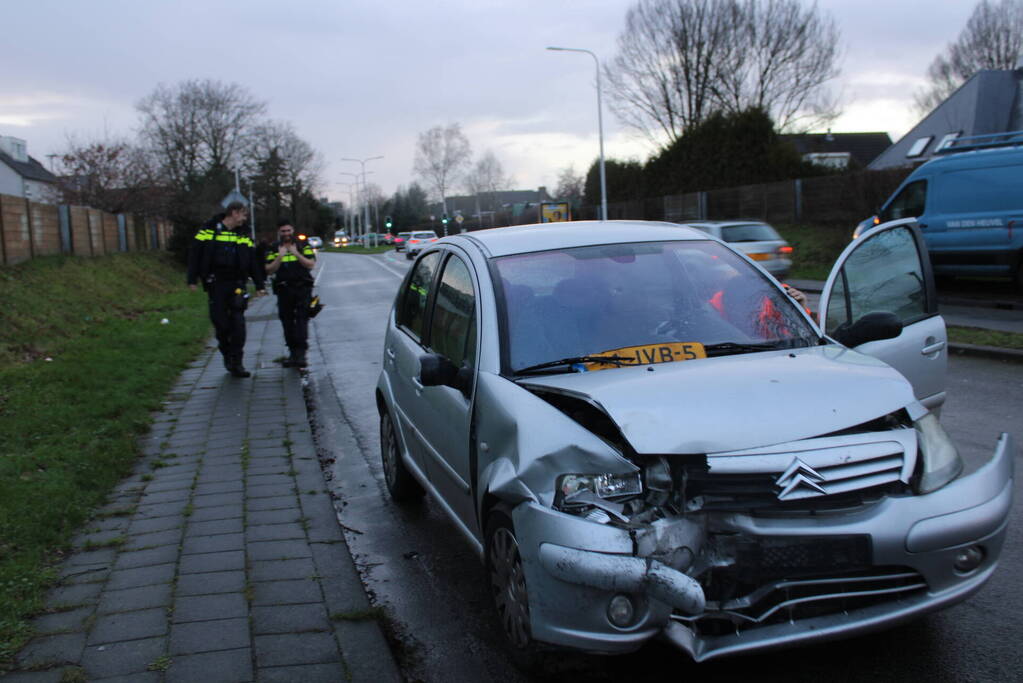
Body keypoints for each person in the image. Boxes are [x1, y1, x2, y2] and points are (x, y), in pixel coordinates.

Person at [186, 202, 266, 377]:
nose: (245, 218)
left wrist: (260, 284)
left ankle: (237, 362)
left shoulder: (243, 233)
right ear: (234, 213)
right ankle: (226, 352)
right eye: (243, 214)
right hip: (216, 284)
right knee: (220, 323)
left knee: (238, 322)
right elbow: (195, 254)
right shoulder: (208, 230)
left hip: (237, 284)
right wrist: (192, 279)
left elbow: (251, 260)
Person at [265, 218, 316, 367]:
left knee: (301, 321)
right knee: (287, 322)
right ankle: (293, 353)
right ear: (278, 232)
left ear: (293, 230)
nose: (286, 233)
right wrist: (280, 256)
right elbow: (268, 269)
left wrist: (296, 253)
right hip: (283, 289)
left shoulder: (302, 245)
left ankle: (301, 355)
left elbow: (311, 264)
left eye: (288, 230)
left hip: (302, 288)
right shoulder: (274, 248)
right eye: (283, 231)